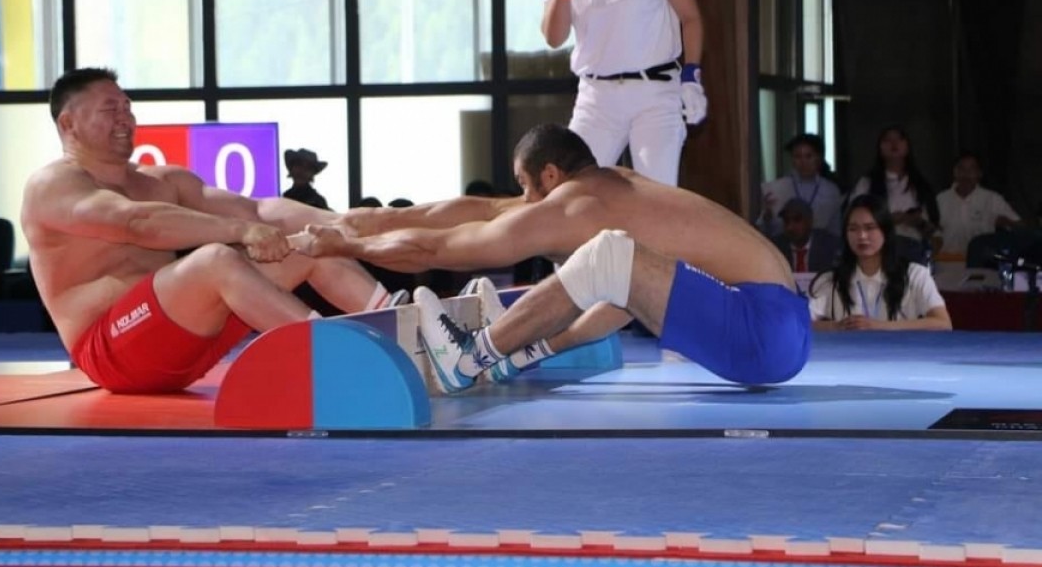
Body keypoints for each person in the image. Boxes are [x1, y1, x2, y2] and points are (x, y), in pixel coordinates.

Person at [299, 124, 809, 392]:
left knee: (608, 255)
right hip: (784, 336)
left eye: (525, 185)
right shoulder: (611, 187)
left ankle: (468, 358)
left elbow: (440, 249)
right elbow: (482, 209)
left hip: (762, 330)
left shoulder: (579, 205)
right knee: (616, 272)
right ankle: (513, 352)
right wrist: (365, 221)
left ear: (549, 176)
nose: (523, 201)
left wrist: (348, 247)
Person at [21, 68, 404, 395]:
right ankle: (343, 364)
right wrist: (240, 230)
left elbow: (258, 210)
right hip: (112, 353)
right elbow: (135, 223)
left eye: (127, 107)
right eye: (110, 109)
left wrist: (348, 225)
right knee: (214, 260)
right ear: (68, 123)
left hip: (185, 344)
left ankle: (406, 333)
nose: (125, 118)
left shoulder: (162, 181)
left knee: (306, 245)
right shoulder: (52, 186)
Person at [542, 0, 705, 185]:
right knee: (573, 189)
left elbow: (690, 17)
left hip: (654, 92)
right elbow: (554, 37)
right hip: (596, 97)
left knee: (656, 194)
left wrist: (691, 76)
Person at [807, 194, 951, 331]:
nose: (862, 236)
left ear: (885, 231)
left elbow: (943, 323)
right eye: (853, 229)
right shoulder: (830, 280)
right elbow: (799, 322)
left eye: (870, 228)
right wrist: (836, 327)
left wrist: (880, 326)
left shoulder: (915, 274)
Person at [848, 125, 938, 243]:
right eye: (887, 140)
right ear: (880, 148)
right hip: (878, 246)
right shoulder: (867, 183)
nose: (894, 143)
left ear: (907, 146)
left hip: (914, 245)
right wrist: (888, 219)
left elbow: (933, 227)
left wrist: (917, 221)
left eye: (899, 139)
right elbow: (854, 218)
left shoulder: (920, 184)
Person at [935, 152, 1021, 258]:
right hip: (947, 260)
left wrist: (1005, 222)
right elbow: (929, 232)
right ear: (954, 172)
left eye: (971, 169)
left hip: (981, 260)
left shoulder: (991, 198)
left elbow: (1018, 225)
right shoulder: (941, 199)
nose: (966, 174)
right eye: (961, 169)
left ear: (979, 173)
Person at [757, 133, 843, 238]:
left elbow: (835, 230)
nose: (803, 162)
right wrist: (766, 217)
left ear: (819, 158)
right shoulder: (774, 188)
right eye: (797, 156)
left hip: (820, 245)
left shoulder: (831, 190)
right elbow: (761, 229)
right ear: (792, 160)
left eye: (808, 156)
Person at [770, 198, 841, 274]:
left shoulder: (828, 245)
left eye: (797, 220)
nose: (790, 227)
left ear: (809, 221)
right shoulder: (776, 247)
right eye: (786, 221)